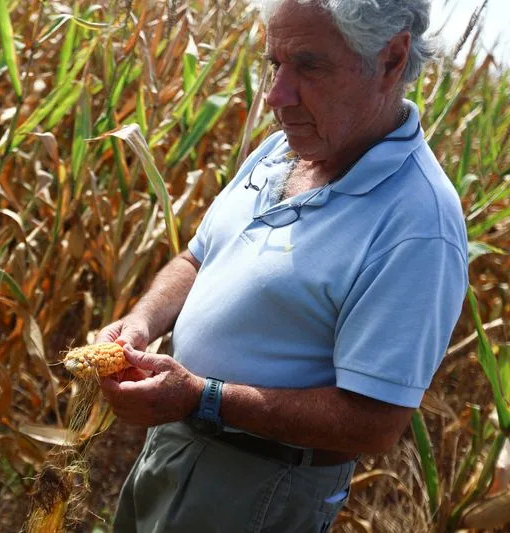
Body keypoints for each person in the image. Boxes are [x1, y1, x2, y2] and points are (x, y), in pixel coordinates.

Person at [96, 0, 469, 531]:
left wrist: (205, 398)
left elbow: (374, 423)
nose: (275, 97)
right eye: (276, 65)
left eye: (310, 66)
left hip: (257, 489)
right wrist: (142, 322)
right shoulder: (282, 150)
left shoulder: (417, 223)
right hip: (174, 446)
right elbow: (199, 257)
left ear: (391, 58)